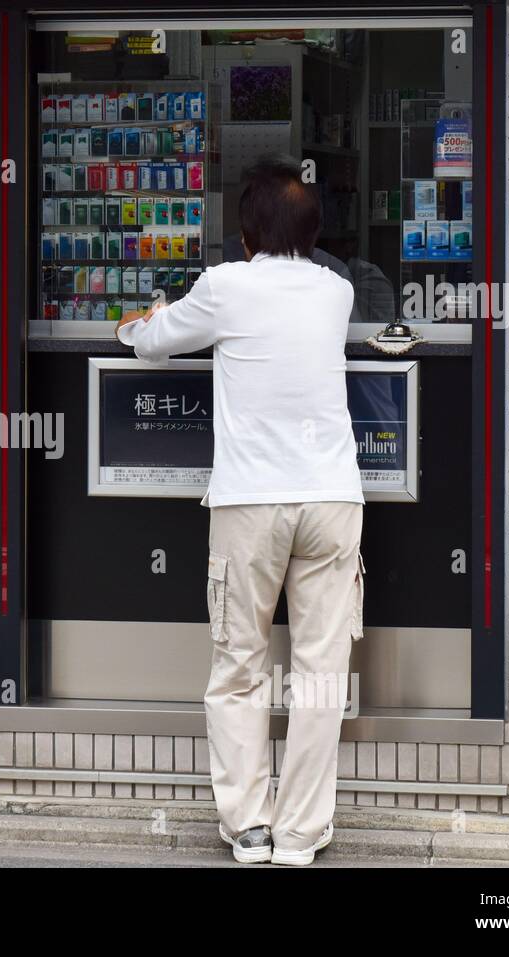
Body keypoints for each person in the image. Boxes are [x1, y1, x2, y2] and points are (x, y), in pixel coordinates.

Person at [116, 159, 365, 866]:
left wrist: (141, 325)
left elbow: (156, 340)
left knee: (238, 664)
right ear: (314, 231)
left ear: (247, 233)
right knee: (320, 673)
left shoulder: (226, 286)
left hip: (251, 502)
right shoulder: (338, 292)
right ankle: (301, 833)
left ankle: (249, 825)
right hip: (331, 500)